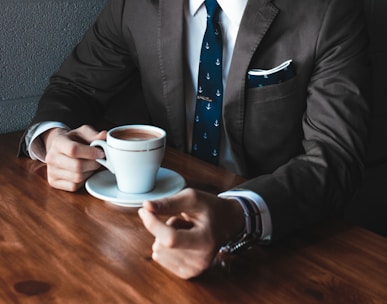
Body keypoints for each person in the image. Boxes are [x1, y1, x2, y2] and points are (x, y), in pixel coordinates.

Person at [20, 0, 370, 279]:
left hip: (280, 243)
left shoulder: (329, 9)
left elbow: (335, 156)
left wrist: (238, 213)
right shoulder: (135, 5)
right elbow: (75, 86)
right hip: (146, 227)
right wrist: (51, 138)